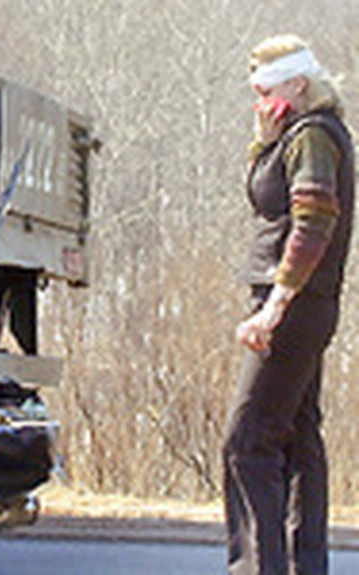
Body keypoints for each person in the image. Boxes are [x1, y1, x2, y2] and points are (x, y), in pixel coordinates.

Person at [224, 35, 354, 574]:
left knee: (247, 440)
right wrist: (264, 141)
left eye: (266, 90)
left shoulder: (315, 137)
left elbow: (313, 224)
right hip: (302, 302)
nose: (258, 100)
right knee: (299, 439)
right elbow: (269, 199)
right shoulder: (295, 136)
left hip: (294, 303)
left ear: (298, 84)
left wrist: (274, 307)